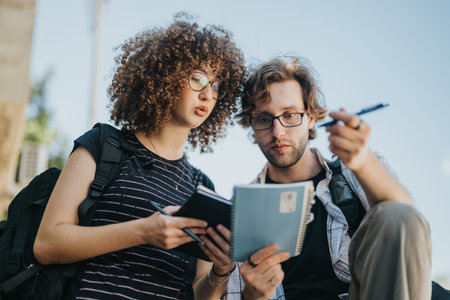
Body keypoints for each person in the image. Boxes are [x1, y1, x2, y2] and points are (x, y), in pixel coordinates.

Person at [33, 13, 245, 300]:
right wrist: (145, 231)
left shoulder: (203, 187)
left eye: (217, 85)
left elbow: (198, 293)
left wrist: (221, 270)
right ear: (166, 77)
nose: (208, 94)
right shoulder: (104, 145)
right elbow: (47, 245)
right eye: (197, 79)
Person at [222, 56, 432, 300]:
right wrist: (252, 297)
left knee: (396, 214)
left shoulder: (355, 169)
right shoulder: (241, 213)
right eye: (264, 119)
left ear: (310, 118)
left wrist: (363, 163)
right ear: (252, 125)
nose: (277, 132)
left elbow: (406, 225)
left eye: (289, 115)